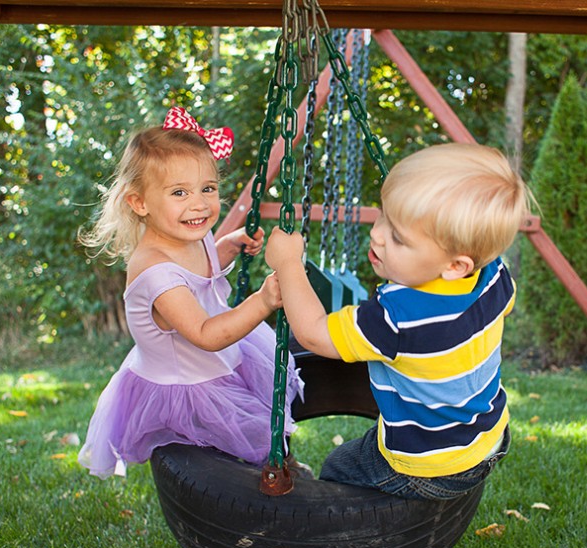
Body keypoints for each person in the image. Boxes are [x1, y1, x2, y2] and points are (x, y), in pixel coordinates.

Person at [265, 143, 529, 499]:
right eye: (384, 215)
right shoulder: (495, 277)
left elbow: (313, 335)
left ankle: (345, 540)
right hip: (486, 434)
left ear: (455, 266)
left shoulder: (397, 315)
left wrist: (288, 265)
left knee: (341, 466)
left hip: (429, 462)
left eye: (399, 238)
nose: (377, 234)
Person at [77, 106, 304, 479]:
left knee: (263, 417)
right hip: (185, 385)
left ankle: (277, 470)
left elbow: (200, 271)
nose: (199, 203)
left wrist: (229, 245)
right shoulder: (154, 273)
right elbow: (205, 335)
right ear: (140, 202)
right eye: (179, 192)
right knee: (242, 444)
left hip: (217, 362)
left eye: (208, 189)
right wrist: (262, 301)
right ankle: (260, 491)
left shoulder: (187, 234)